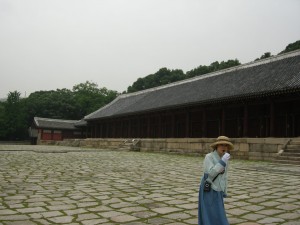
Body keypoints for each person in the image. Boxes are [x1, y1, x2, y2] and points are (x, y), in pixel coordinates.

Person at [198, 136, 234, 225]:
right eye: (221, 145)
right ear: (216, 146)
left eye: (226, 145)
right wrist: (222, 162)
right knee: (209, 211)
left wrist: (224, 190)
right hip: (209, 188)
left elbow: (224, 176)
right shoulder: (209, 157)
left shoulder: (225, 158)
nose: (224, 147)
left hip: (219, 189)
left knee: (218, 211)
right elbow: (210, 173)